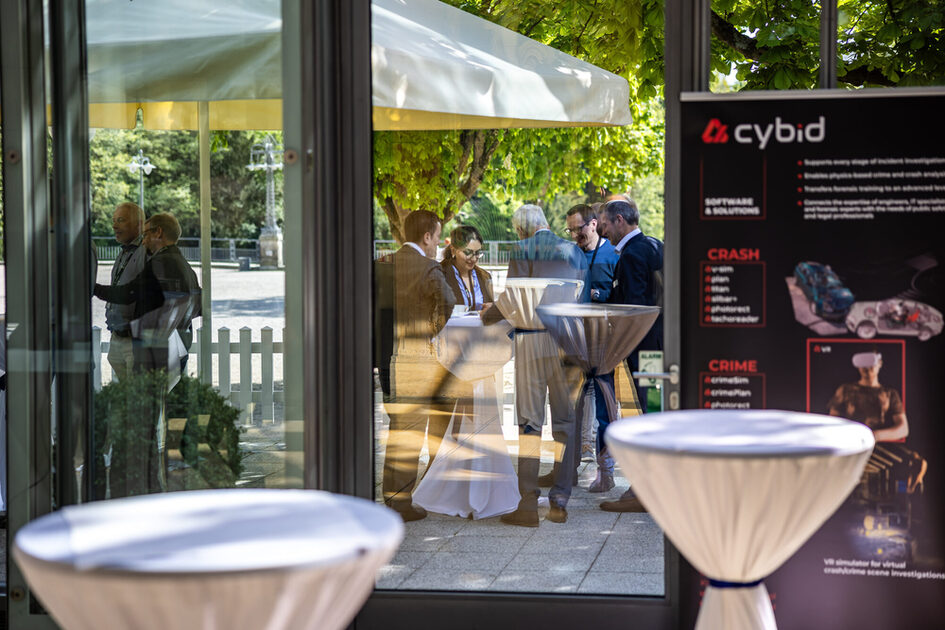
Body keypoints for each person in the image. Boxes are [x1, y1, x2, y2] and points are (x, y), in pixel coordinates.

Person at [498, 204, 587, 527]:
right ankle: (560, 500)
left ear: (521, 229)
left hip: (532, 339)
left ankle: (527, 504)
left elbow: (512, 301)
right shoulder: (574, 251)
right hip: (569, 341)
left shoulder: (522, 249)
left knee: (530, 421)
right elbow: (584, 298)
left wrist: (488, 317)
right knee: (564, 421)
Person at [377, 210, 456, 522]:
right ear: (427, 237)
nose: (437, 243)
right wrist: (431, 331)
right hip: (414, 356)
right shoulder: (429, 267)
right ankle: (401, 501)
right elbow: (448, 302)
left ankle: (391, 494)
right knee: (410, 431)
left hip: (386, 357)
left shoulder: (381, 265)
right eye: (437, 237)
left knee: (397, 428)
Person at [596, 197, 663, 512]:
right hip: (658, 352)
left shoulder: (633, 254)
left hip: (646, 353)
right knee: (656, 414)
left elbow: (634, 310)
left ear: (619, 220)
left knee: (652, 417)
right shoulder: (654, 245)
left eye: (605, 223)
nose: (602, 229)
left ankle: (646, 492)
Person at [565, 203, 619, 492]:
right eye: (570, 230)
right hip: (573, 342)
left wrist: (599, 294)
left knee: (603, 410)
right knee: (568, 408)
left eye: (579, 228)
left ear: (594, 224)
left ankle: (606, 472)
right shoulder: (569, 254)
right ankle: (567, 472)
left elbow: (622, 296)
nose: (575, 235)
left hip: (602, 345)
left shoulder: (612, 254)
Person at [827, 351, 927, 494]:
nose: (867, 369)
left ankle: (909, 491)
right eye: (863, 364)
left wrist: (875, 435)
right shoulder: (845, 390)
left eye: (871, 363)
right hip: (851, 445)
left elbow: (903, 428)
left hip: (879, 445)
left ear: (879, 364)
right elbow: (832, 422)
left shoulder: (890, 393)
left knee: (918, 461)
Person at [103, 202, 148, 380]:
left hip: (136, 340)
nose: (114, 225)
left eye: (120, 220)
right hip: (118, 336)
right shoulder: (124, 252)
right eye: (114, 220)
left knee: (137, 400)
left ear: (139, 224)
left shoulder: (146, 251)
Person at [440, 225, 494, 311]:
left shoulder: (485, 276)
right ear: (453, 250)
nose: (473, 258)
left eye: (477, 253)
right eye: (468, 252)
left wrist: (492, 308)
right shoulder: (439, 275)